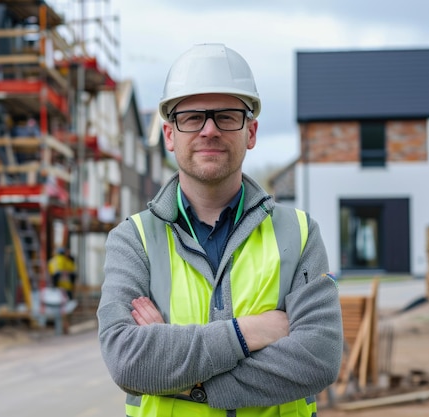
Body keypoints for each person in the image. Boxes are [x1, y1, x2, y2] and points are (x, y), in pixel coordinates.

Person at [97, 43, 343, 417]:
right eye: (192, 117)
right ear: (168, 135)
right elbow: (128, 361)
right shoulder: (133, 241)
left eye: (227, 116)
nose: (209, 130)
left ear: (252, 132)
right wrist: (250, 333)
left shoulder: (300, 234)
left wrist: (181, 379)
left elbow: (317, 359)